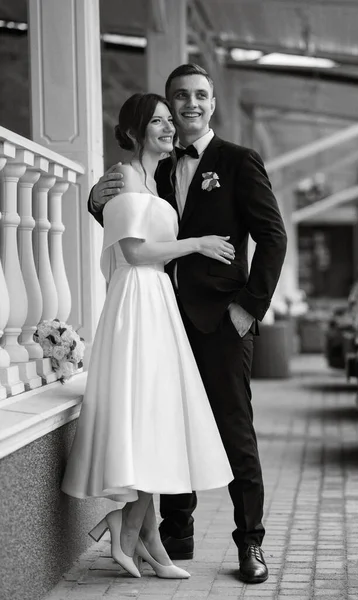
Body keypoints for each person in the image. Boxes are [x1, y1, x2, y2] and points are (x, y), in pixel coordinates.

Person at [89, 63, 287, 584]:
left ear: (213, 102)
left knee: (233, 430)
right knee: (168, 425)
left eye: (200, 95)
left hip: (222, 320)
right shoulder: (152, 166)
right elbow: (134, 224)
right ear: (170, 106)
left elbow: (274, 237)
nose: (190, 104)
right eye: (181, 96)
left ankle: (250, 543)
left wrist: (249, 308)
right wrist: (95, 199)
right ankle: (176, 531)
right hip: (162, 318)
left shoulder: (239, 161)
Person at [61, 92, 235, 580]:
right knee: (144, 411)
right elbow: (135, 253)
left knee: (154, 415)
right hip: (137, 300)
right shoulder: (121, 180)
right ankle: (131, 529)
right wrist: (197, 243)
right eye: (156, 121)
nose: (167, 127)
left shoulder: (153, 180)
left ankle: (137, 530)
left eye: (168, 120)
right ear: (134, 131)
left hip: (156, 301)